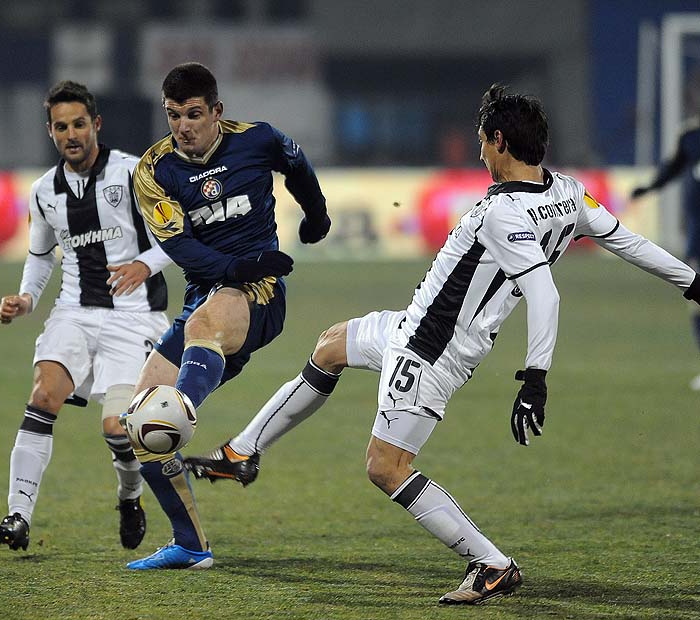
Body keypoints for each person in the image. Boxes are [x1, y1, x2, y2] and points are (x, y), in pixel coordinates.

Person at [185, 84, 700, 603]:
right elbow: (628, 241)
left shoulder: (504, 214)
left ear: (499, 141)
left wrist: (535, 377)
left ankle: (491, 562)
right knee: (331, 345)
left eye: (481, 141)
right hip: (410, 326)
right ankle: (242, 451)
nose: (478, 152)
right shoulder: (567, 193)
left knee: (385, 468)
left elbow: (545, 292)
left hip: (429, 352)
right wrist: (691, 282)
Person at [123, 62, 331, 570]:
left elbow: (297, 165)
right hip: (209, 290)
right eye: (174, 116)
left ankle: (185, 415)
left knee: (197, 338)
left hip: (257, 292)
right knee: (139, 422)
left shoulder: (257, 140)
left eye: (194, 114)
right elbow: (181, 248)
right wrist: (240, 263)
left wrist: (317, 215)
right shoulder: (153, 171)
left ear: (217, 111)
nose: (183, 127)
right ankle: (191, 545)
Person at [0, 80, 171, 553]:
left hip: (136, 318)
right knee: (43, 395)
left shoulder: (135, 174)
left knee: (117, 428)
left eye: (79, 124)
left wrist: (142, 265)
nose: (71, 134)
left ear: (96, 125)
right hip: (74, 311)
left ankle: (130, 496)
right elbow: (41, 254)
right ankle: (18, 515)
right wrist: (27, 298)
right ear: (50, 132)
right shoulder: (44, 190)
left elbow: (174, 235)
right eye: (61, 126)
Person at [631, 117, 700, 390]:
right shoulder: (691, 136)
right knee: (696, 301)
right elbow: (673, 168)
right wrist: (649, 188)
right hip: (698, 236)